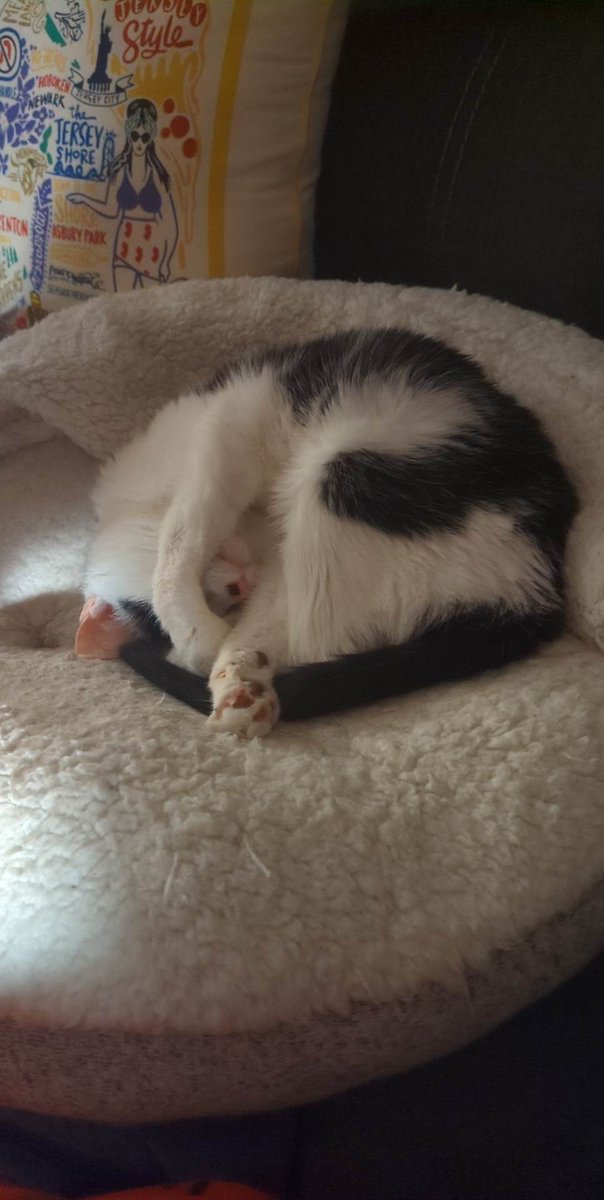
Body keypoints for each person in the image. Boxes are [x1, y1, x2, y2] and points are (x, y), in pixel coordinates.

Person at [67, 98, 178, 291]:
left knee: (151, 305)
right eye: (135, 135)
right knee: (120, 302)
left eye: (144, 137)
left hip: (152, 250)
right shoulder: (118, 171)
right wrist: (84, 199)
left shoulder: (159, 175)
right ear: (128, 133)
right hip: (124, 246)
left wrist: (166, 261)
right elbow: (111, 210)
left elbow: (170, 226)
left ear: (152, 137)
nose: (139, 143)